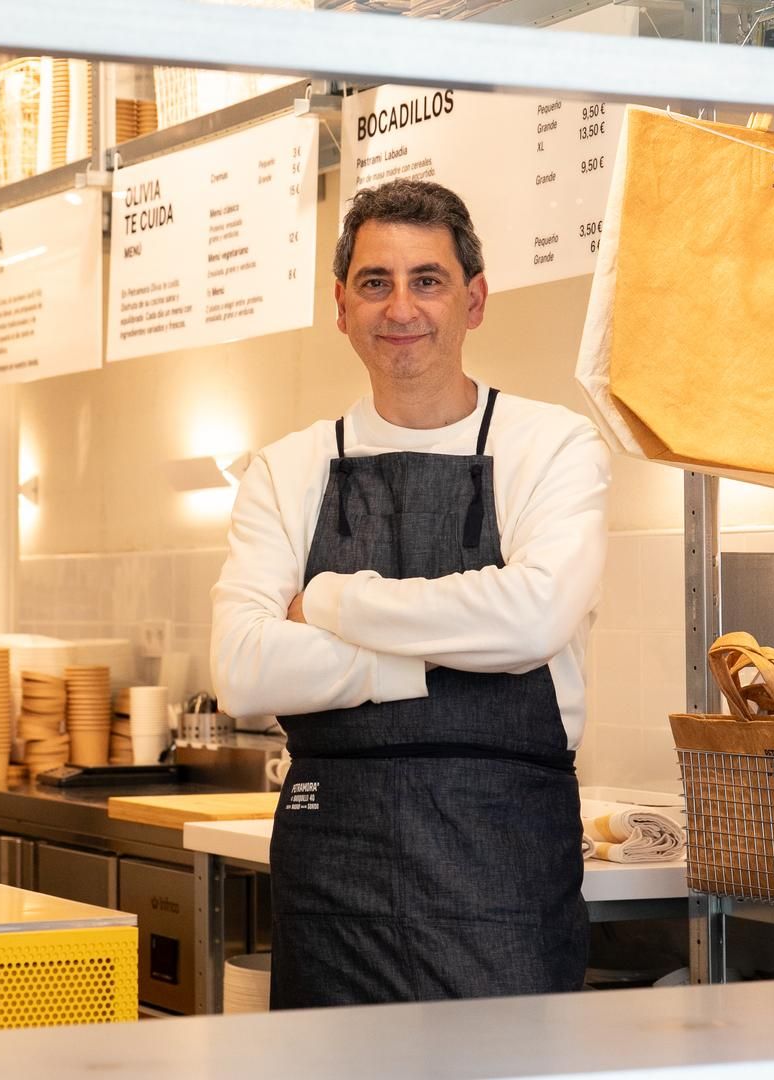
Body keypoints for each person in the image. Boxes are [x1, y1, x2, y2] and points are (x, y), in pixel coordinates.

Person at [211, 179, 610, 1008]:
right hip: (333, 881)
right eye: (375, 282)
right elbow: (245, 669)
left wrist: (324, 600)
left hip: (501, 876)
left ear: (475, 299)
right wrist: (436, 661)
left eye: (427, 279)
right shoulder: (285, 469)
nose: (402, 307)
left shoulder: (553, 445)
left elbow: (531, 619)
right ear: (340, 305)